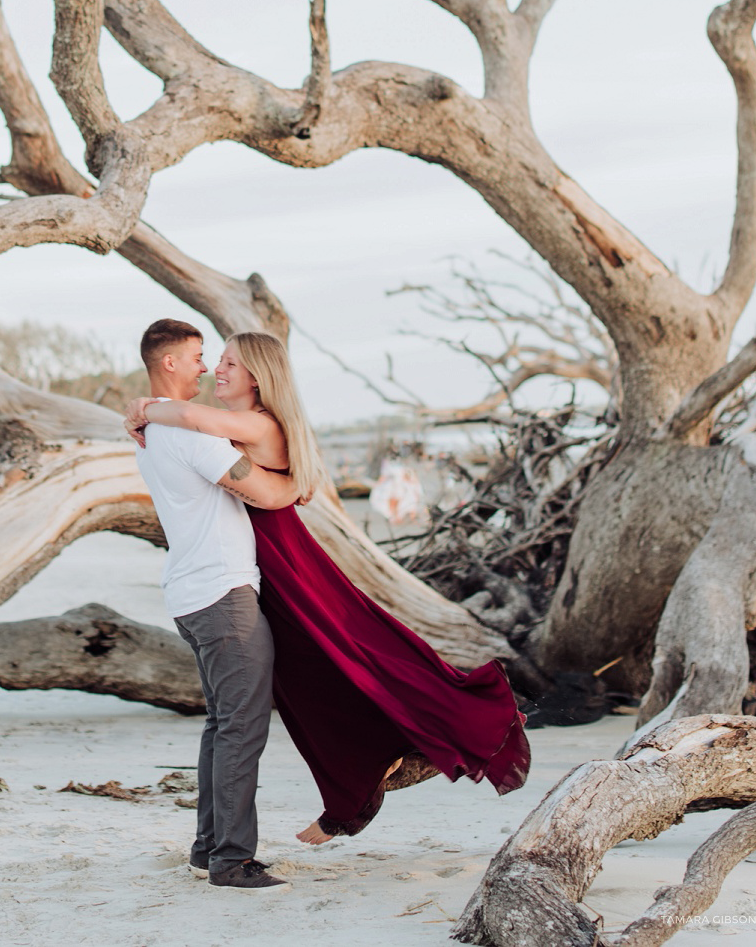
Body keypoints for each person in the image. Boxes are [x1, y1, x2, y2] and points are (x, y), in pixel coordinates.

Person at [126, 330, 531, 844]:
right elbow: (201, 439)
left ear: (258, 376)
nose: (215, 370)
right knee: (311, 673)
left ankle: (418, 747)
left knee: (349, 647)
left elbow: (202, 432)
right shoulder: (230, 425)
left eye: (228, 362)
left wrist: (145, 408)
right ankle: (357, 778)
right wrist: (147, 410)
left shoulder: (257, 423)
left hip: (281, 558)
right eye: (214, 360)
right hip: (260, 561)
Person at [132, 318, 303, 892]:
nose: (206, 367)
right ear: (171, 363)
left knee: (221, 724)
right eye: (199, 356)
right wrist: (304, 481)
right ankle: (232, 859)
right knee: (242, 728)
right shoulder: (190, 436)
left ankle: (209, 849)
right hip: (221, 593)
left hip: (192, 590)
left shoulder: (155, 431)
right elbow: (267, 492)